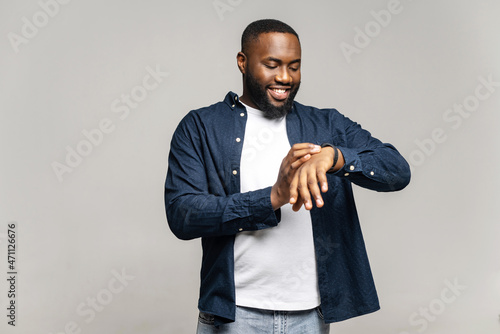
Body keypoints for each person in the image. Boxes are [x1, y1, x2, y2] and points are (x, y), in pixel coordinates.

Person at [165, 19, 411, 333]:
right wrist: (272, 198)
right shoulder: (201, 127)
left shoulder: (326, 125)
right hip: (235, 316)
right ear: (243, 62)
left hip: (311, 317)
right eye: (272, 65)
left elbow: (397, 171)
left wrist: (335, 156)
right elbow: (182, 215)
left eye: (294, 67)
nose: (284, 77)